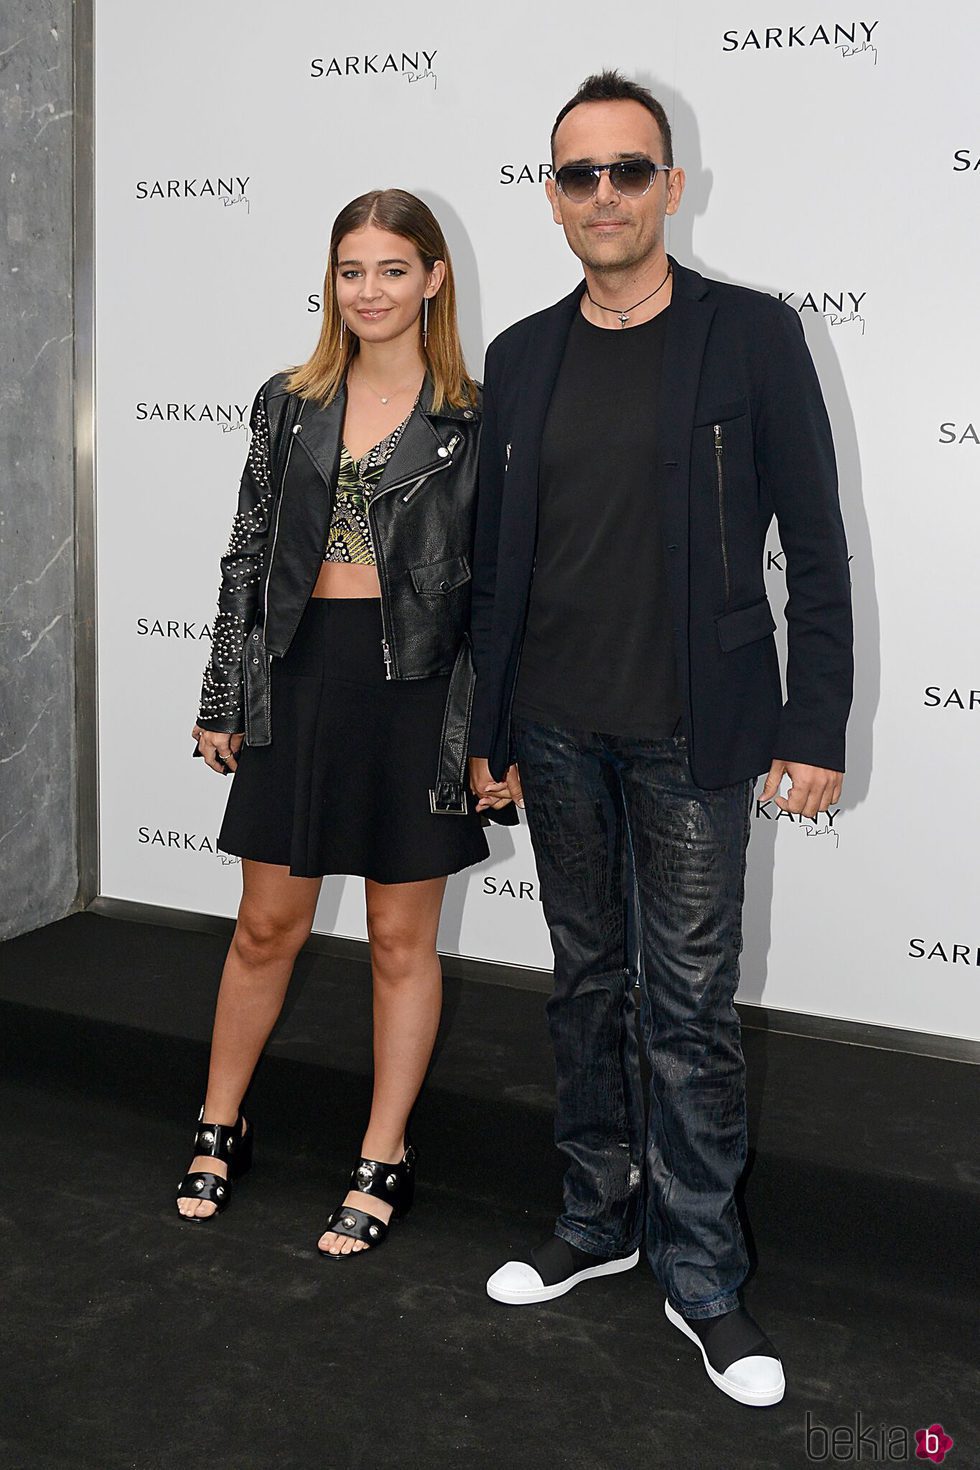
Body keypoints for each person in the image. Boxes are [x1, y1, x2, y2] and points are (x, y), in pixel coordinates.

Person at [469, 73, 853, 1405]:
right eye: (580, 175)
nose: (607, 196)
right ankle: (596, 1217)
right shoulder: (520, 355)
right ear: (554, 195)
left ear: (670, 186)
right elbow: (494, 567)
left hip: (699, 733)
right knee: (586, 986)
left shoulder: (747, 334)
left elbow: (814, 537)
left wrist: (816, 722)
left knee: (687, 1013)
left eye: (631, 171)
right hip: (556, 729)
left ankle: (703, 1273)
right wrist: (490, 722)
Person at [178, 188, 511, 1257]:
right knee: (264, 926)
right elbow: (245, 552)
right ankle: (219, 1121)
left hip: (416, 691)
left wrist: (481, 730)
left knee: (396, 939)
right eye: (350, 270)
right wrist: (225, 691)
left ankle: (384, 1153)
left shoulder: (475, 416)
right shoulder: (287, 400)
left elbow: (499, 591)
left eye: (390, 270)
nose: (368, 290)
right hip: (299, 672)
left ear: (432, 279)